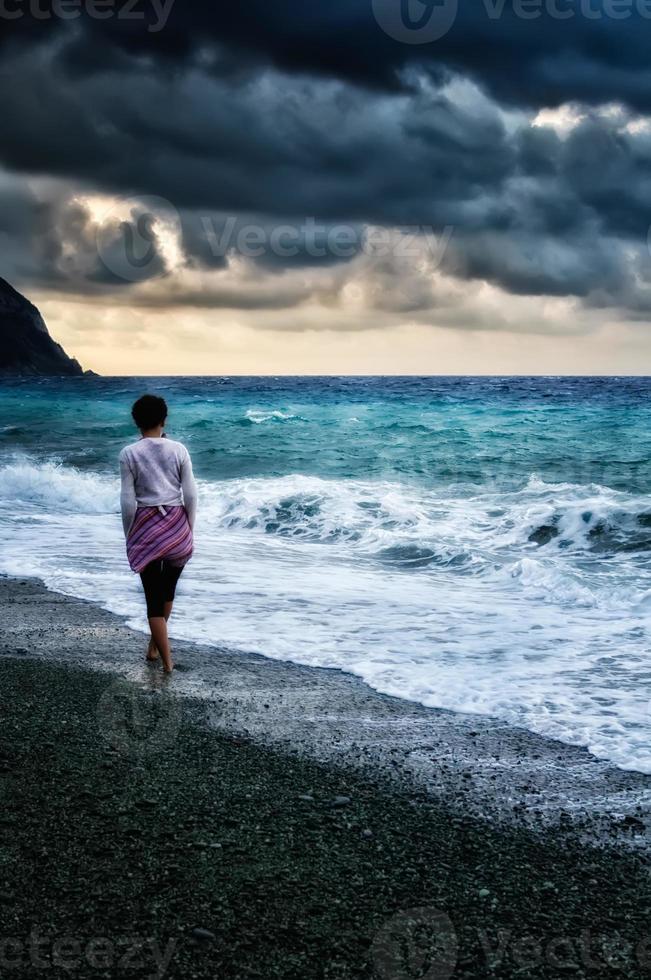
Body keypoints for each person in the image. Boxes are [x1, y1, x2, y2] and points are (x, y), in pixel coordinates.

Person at [119, 395, 197, 674]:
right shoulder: (179, 449)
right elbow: (190, 494)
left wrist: (130, 534)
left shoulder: (129, 453)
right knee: (168, 589)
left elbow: (128, 501)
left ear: (136, 422)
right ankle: (154, 647)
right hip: (177, 525)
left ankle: (167, 663)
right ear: (164, 420)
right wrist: (189, 528)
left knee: (153, 596)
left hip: (147, 528)